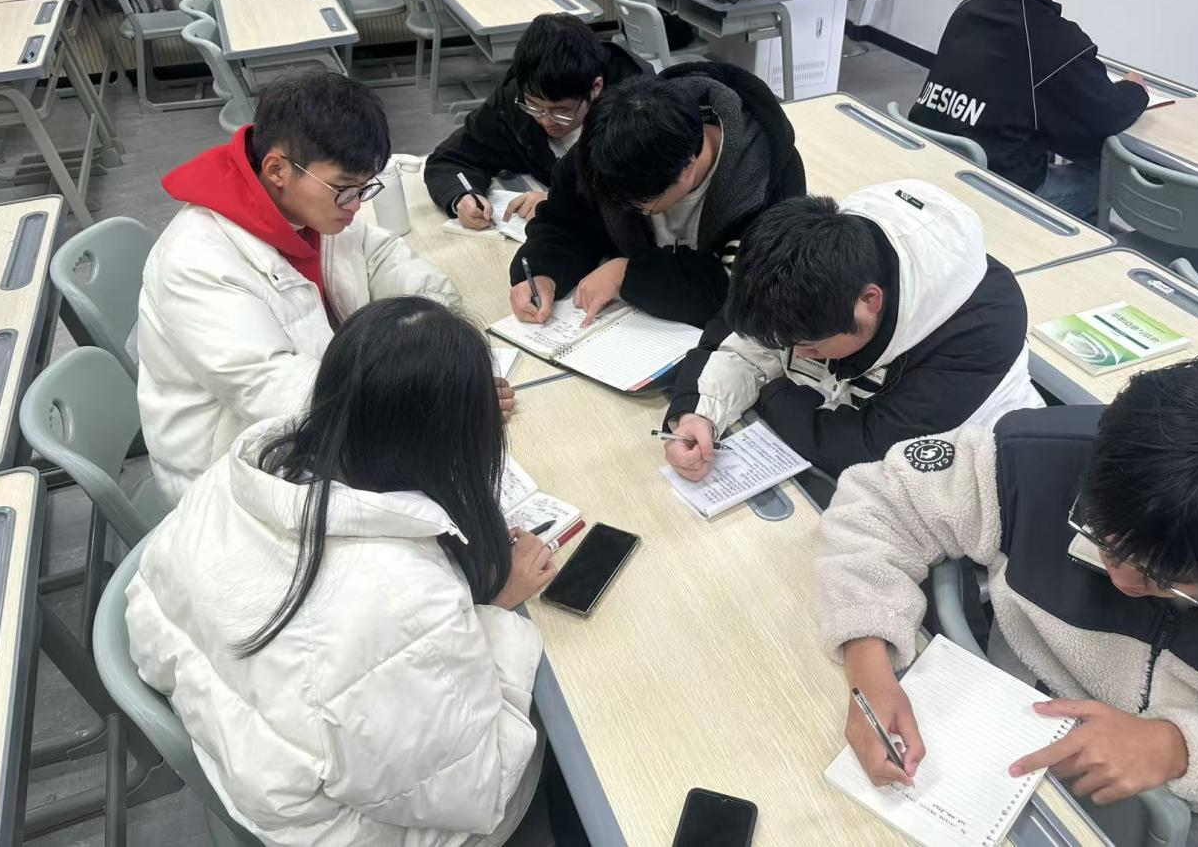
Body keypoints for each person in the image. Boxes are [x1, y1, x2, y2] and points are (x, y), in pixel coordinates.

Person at [126, 297, 558, 846]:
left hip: (253, 753)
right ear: (453, 439)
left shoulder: (241, 470)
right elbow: (481, 788)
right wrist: (495, 612)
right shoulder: (402, 597)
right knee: (574, 728)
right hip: (349, 828)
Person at [817, 355, 1198, 842]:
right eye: (1102, 541)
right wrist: (867, 661)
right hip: (1014, 732)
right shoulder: (1038, 459)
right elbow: (879, 501)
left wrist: (1185, 748)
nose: (1122, 579)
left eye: (1164, 579)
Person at [138, 73, 510, 505]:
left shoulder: (311, 207)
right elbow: (273, 391)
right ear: (277, 170)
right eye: (345, 189)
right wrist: (431, 393)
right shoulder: (197, 261)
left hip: (339, 418)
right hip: (241, 471)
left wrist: (441, 344)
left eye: (365, 188)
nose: (356, 205)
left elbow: (379, 255)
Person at [664, 183, 1041, 483]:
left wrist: (771, 391)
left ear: (869, 301)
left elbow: (867, 451)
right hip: (831, 434)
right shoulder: (814, 259)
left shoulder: (980, 330)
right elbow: (743, 344)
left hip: (971, 478)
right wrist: (698, 414)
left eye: (809, 346)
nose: (797, 353)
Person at [507, 63, 806, 329]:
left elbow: (747, 295)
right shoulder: (608, 146)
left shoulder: (767, 183)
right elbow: (566, 222)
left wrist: (629, 274)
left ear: (687, 168)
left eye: (639, 205)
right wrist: (543, 272)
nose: (621, 207)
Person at [907, 0, 1149, 220]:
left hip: (932, 168)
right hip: (995, 194)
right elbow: (1108, 115)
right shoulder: (1058, 41)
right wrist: (1135, 89)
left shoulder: (968, 10)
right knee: (1105, 175)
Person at [424, 13, 648, 230]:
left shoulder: (639, 113)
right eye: (534, 107)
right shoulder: (514, 99)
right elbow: (451, 158)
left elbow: (643, 197)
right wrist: (462, 195)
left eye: (561, 111)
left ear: (595, 88)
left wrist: (559, 201)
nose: (545, 120)